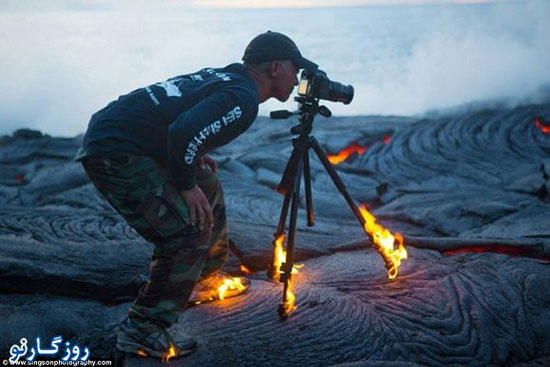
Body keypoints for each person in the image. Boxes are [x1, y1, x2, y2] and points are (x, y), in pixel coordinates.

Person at [75, 31, 317, 359]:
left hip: (125, 135)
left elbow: (180, 117)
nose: (298, 76)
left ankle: (202, 277)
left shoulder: (229, 76)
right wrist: (185, 183)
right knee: (187, 232)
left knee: (208, 183)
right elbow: (181, 130)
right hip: (115, 151)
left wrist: (193, 155)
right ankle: (142, 329)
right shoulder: (243, 97)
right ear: (276, 67)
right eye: (295, 68)